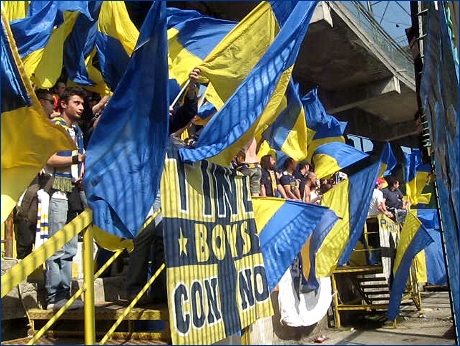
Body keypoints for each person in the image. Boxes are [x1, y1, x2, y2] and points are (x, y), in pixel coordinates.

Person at [126, 68, 201, 305]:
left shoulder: (166, 126)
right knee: (143, 240)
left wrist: (192, 87)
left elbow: (187, 112)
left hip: (165, 192)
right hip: (143, 192)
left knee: (162, 239)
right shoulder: (139, 121)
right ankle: (133, 291)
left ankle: (158, 292)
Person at [43, 87, 87, 310]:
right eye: (76, 103)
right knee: (57, 244)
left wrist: (81, 171)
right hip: (58, 192)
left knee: (70, 246)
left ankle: (65, 295)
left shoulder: (76, 129)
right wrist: (77, 157)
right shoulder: (56, 126)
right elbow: (49, 158)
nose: (81, 107)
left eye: (82, 103)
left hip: (73, 192)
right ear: (64, 105)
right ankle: (53, 297)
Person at [14, 89, 57, 259]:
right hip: (30, 176)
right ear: (41, 101)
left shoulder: (52, 124)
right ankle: (22, 258)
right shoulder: (29, 120)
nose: (54, 105)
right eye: (51, 101)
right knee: (27, 214)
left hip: (49, 178)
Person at [363, 178, 394, 264]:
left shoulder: (366, 192)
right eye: (381, 184)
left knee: (370, 241)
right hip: (375, 219)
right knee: (379, 240)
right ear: (378, 185)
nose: (382, 186)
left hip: (366, 219)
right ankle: (376, 260)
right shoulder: (379, 193)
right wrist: (387, 213)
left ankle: (371, 260)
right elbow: (380, 207)